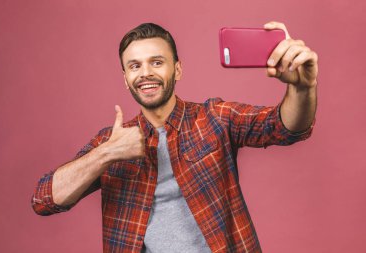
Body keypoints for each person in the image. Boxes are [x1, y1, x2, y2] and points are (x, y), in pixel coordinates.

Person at [32, 21, 318, 253]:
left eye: (157, 62)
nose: (145, 73)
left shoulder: (213, 117)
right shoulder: (113, 141)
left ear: (177, 69)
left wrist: (303, 89)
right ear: (125, 78)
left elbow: (285, 127)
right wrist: (107, 153)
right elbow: (45, 199)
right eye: (135, 66)